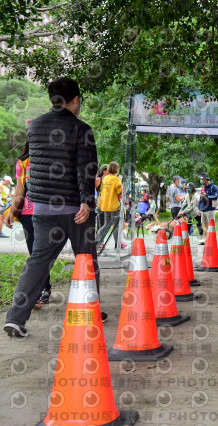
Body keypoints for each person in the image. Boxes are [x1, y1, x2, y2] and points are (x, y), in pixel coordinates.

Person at [4, 77, 103, 337]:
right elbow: (87, 169)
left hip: (42, 209)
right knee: (87, 259)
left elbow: (33, 166)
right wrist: (87, 202)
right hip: (74, 210)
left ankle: (15, 318)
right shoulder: (82, 129)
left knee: (38, 262)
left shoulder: (34, 127)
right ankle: (90, 309)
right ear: (76, 100)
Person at [4, 144, 52, 308]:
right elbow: (20, 188)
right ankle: (42, 290)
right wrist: (11, 211)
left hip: (48, 212)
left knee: (44, 253)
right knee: (35, 254)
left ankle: (43, 288)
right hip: (27, 213)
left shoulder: (52, 158)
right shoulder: (23, 162)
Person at [96, 161, 126, 249]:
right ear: (117, 170)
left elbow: (102, 190)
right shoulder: (116, 179)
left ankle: (96, 240)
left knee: (106, 224)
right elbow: (120, 192)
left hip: (105, 205)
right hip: (114, 205)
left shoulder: (105, 179)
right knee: (116, 225)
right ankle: (118, 244)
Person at [198, 172, 218, 244]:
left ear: (205, 179)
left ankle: (212, 241)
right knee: (205, 226)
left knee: (211, 226)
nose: (200, 181)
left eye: (201, 179)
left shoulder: (213, 187)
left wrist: (206, 195)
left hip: (210, 210)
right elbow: (201, 199)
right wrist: (199, 208)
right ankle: (207, 240)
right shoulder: (203, 187)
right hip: (203, 209)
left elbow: (215, 196)